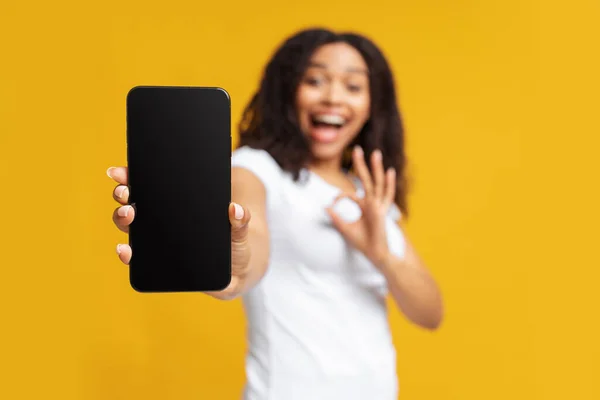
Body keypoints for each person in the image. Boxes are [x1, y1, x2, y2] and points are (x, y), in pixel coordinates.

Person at [107, 28, 444, 400]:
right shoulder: (256, 168)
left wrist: (380, 253)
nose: (333, 97)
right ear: (288, 91)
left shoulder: (369, 195)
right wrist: (233, 265)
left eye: (352, 86)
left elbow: (430, 314)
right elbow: (251, 248)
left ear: (371, 104)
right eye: (315, 80)